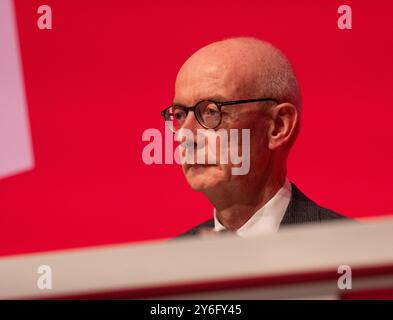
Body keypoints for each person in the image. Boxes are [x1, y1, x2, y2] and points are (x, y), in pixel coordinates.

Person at [161, 37, 349, 238]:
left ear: (278, 126)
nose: (185, 135)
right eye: (179, 114)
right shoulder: (172, 262)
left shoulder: (352, 251)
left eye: (211, 112)